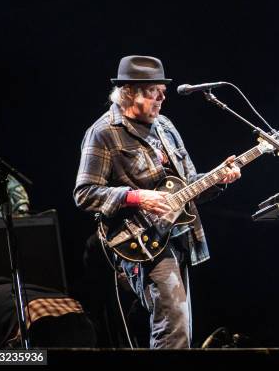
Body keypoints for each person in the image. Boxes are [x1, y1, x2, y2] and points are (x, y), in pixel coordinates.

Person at [73, 55, 240, 349]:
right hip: (139, 241)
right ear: (129, 92)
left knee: (179, 324)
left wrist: (218, 179)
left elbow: (189, 184)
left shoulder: (165, 126)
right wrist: (137, 197)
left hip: (178, 235)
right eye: (154, 91)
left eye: (163, 90)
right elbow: (84, 193)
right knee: (174, 324)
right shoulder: (102, 133)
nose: (162, 97)